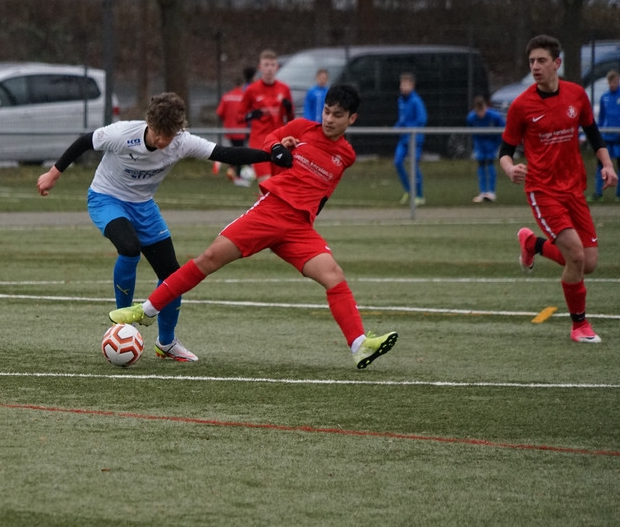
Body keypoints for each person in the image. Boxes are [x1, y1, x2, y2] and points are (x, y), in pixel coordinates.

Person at [109, 84, 398, 369]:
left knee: (333, 275)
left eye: (337, 115)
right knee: (209, 259)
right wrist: (278, 147)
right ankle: (147, 310)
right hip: (270, 212)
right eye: (326, 111)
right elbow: (270, 139)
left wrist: (310, 216)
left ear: (352, 118)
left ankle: (359, 345)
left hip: (299, 227)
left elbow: (323, 192)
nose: (329, 119)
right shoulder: (301, 128)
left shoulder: (346, 156)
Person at [37, 92, 291, 362]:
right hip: (106, 199)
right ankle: (122, 325)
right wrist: (53, 174)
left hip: (144, 207)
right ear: (149, 123)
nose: (161, 140)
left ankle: (166, 343)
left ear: (177, 131)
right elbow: (84, 142)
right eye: (157, 133)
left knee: (172, 274)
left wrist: (270, 156)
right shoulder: (121, 134)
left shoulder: (182, 142)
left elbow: (226, 153)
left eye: (167, 136)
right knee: (129, 249)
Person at [500, 34, 617, 344]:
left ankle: (532, 244)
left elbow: (593, 133)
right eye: (531, 62)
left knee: (588, 263)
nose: (535, 67)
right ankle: (579, 326)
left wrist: (607, 165)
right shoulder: (521, 105)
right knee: (575, 255)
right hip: (542, 190)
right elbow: (505, 151)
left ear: (557, 63)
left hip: (573, 189)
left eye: (541, 61)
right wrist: (510, 169)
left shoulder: (576, 95)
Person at [241, 49, 294, 189]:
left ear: (277, 67)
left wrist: (289, 109)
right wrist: (250, 115)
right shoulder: (252, 90)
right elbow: (240, 116)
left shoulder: (284, 89)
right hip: (259, 142)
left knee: (277, 186)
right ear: (260, 67)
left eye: (272, 65)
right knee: (266, 183)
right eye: (266, 65)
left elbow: (290, 118)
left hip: (278, 141)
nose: (269, 68)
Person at [590, 70, 620, 202]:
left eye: (616, 81)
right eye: (612, 82)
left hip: (619, 138)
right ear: (609, 83)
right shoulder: (604, 97)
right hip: (606, 138)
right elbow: (602, 118)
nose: (614, 84)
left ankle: (618, 195)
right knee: (601, 164)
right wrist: (599, 133)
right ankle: (598, 193)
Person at [214, 67, 254, 186]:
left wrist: (227, 120)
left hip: (230, 130)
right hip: (241, 130)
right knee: (240, 153)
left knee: (235, 151)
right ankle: (239, 176)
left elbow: (220, 112)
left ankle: (232, 170)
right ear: (242, 85)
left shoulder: (226, 96)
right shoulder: (245, 96)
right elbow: (249, 113)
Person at [394, 72, 427, 205]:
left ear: (412, 85)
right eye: (402, 84)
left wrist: (408, 127)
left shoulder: (416, 101)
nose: (403, 86)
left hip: (415, 139)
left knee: (414, 166)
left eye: (406, 84)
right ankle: (409, 190)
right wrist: (397, 126)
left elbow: (422, 119)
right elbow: (402, 119)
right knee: (397, 162)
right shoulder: (401, 100)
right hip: (403, 139)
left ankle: (419, 195)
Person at [466, 95, 505, 202]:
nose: (480, 114)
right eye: (478, 111)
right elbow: (471, 130)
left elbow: (503, 129)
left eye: (482, 110)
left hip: (492, 143)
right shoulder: (471, 117)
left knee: (490, 164)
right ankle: (483, 192)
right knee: (481, 164)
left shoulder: (495, 116)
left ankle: (491, 192)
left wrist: (497, 143)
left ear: (485, 107)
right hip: (479, 143)